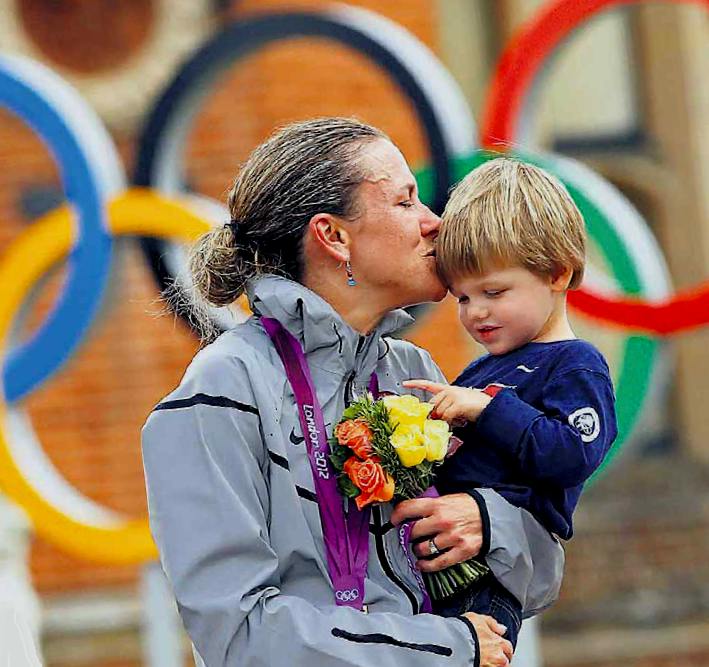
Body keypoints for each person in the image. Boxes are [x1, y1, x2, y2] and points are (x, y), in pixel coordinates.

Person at [141, 119, 564, 667]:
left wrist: (487, 520)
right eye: (405, 201)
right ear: (334, 237)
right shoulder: (220, 391)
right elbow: (239, 636)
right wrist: (446, 649)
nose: (434, 223)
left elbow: (542, 572)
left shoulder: (413, 373)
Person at [404, 157, 618, 647]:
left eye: (494, 291)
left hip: (492, 575)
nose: (476, 312)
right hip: (438, 558)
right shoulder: (481, 370)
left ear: (558, 274)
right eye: (461, 298)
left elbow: (572, 454)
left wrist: (485, 410)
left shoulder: (576, 365)